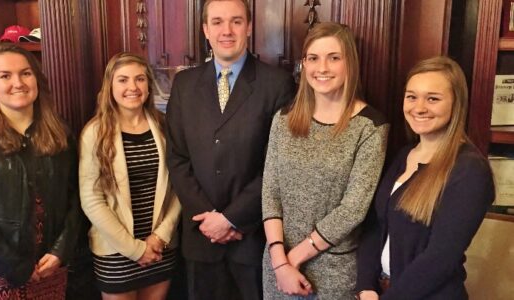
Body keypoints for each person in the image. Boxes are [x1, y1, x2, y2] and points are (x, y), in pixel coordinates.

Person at [165, 0, 296, 299]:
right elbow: (178, 157)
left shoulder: (277, 83)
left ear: (249, 27)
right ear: (205, 30)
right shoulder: (184, 85)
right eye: (217, 22)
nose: (227, 30)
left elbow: (276, 165)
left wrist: (231, 219)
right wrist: (209, 220)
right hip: (201, 238)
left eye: (236, 21)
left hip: (250, 238)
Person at [261, 22, 389, 299]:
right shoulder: (283, 120)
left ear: (350, 63)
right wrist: (278, 258)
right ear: (303, 65)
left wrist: (294, 258)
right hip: (277, 264)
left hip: (332, 271)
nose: (322, 68)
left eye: (334, 58)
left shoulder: (369, 127)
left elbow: (353, 210)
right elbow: (270, 191)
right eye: (313, 58)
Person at [0, 43, 81, 299]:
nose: (18, 82)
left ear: (37, 78)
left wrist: (60, 251)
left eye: (25, 73)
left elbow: (76, 197)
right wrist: (16, 267)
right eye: (5, 76)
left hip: (50, 267)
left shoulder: (60, 132)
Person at [356, 56, 495, 300]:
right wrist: (366, 286)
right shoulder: (404, 154)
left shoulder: (469, 170)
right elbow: (377, 225)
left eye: (433, 98)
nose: (419, 107)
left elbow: (440, 258)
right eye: (412, 96)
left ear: (456, 104)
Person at [79, 52, 181, 300]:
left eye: (140, 79)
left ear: (149, 85)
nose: (132, 87)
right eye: (123, 80)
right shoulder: (95, 132)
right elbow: (91, 199)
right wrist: (134, 249)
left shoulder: (165, 126)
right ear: (110, 86)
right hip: (115, 250)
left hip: (160, 246)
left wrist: (160, 236)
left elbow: (179, 186)